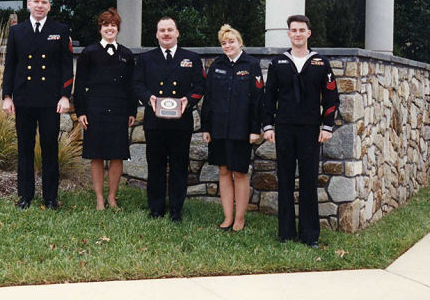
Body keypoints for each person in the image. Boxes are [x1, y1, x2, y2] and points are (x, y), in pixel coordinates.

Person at [263, 14, 340, 247]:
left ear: (308, 33)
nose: (297, 34)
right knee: (285, 179)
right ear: (288, 34)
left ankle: (309, 235)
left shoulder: (320, 63)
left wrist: (327, 126)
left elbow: (331, 97)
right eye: (293, 30)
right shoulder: (278, 63)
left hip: (310, 129)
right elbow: (269, 98)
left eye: (301, 30)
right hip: (284, 128)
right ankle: (286, 234)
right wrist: (268, 126)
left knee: (308, 181)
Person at [2, 0, 74, 210]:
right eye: (37, 2)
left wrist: (65, 96)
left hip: (50, 101)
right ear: (29, 4)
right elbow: (10, 66)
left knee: (49, 147)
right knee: (25, 148)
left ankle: (50, 198)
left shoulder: (60, 30)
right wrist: (6, 96)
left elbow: (66, 66)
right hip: (23, 98)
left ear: (50, 6)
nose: (40, 5)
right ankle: (25, 196)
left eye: (44, 2)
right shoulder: (17, 31)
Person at [133, 17, 205, 222]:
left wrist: (188, 101)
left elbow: (199, 87)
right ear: (156, 34)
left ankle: (176, 209)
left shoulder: (191, 58)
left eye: (170, 30)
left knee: (179, 166)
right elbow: (137, 84)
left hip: (180, 122)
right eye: (162, 30)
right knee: (155, 165)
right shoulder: (146, 58)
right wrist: (149, 98)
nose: (166, 33)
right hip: (154, 122)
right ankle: (155, 208)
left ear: (177, 33)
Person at [201, 25, 263, 232]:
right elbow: (208, 98)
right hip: (218, 128)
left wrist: (255, 128)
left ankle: (240, 218)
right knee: (224, 170)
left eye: (231, 41)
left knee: (240, 172)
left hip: (242, 129)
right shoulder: (217, 65)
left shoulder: (252, 65)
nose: (228, 46)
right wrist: (205, 127)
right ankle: (227, 217)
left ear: (240, 42)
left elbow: (257, 99)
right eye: (224, 43)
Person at [73, 8, 137, 210]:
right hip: (95, 109)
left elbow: (131, 86)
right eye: (106, 25)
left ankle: (112, 197)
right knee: (97, 154)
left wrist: (132, 111)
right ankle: (99, 198)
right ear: (100, 28)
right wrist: (81, 111)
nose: (110, 28)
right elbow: (80, 83)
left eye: (113, 25)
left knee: (118, 154)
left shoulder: (127, 54)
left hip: (119, 109)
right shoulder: (89, 53)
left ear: (118, 28)